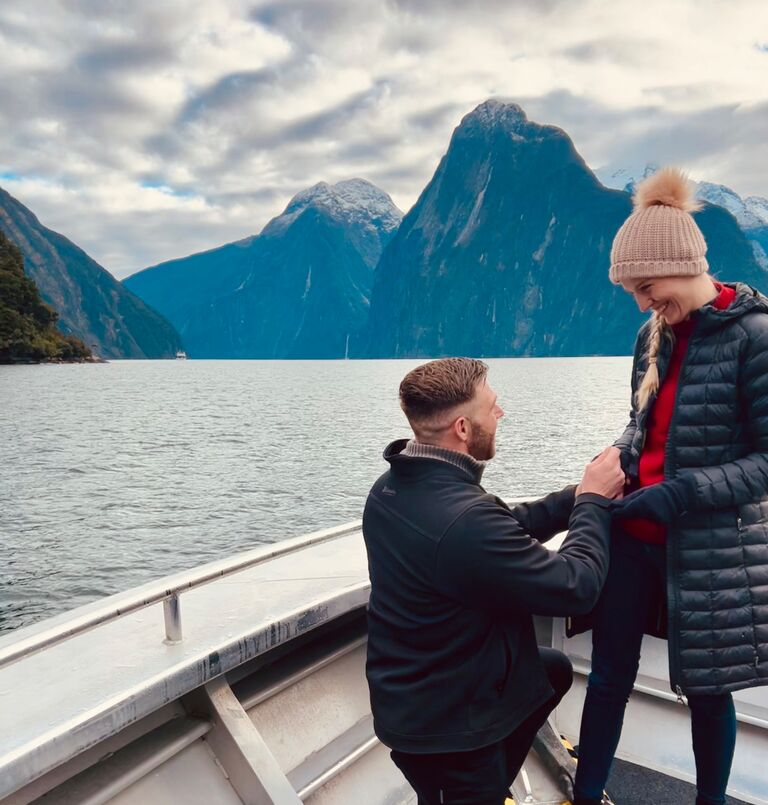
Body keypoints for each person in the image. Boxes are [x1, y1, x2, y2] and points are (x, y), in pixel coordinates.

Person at [572, 167, 768, 805]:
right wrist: (617, 463)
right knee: (606, 680)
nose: (641, 302)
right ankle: (586, 794)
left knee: (710, 693)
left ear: (682, 265)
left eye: (646, 286)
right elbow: (641, 427)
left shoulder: (754, 337)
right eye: (633, 291)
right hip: (633, 534)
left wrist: (680, 493)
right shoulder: (649, 336)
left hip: (707, 545)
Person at [362, 357, 625, 805]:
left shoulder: (396, 487)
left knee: (551, 671)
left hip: (427, 690)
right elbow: (575, 585)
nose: (500, 414)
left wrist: (577, 495)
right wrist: (595, 506)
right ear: (463, 428)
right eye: (493, 406)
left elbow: (506, 528)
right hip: (447, 733)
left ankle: (491, 787)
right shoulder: (462, 517)